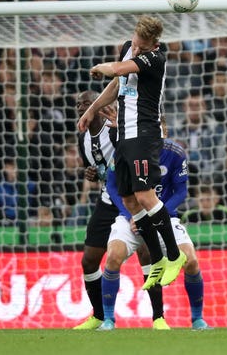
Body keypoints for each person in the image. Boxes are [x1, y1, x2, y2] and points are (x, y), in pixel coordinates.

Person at [77, 16, 186, 292]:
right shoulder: (130, 47)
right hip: (125, 135)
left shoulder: (155, 58)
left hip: (143, 133)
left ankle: (174, 255)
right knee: (129, 198)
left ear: (154, 44)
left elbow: (117, 70)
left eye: (141, 45)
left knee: (145, 195)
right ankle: (158, 258)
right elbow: (116, 84)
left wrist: (103, 67)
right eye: (135, 42)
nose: (136, 48)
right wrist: (92, 110)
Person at [97, 132, 212, 331]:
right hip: (131, 217)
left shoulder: (175, 153)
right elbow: (113, 187)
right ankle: (108, 320)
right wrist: (129, 214)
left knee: (191, 260)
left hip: (165, 217)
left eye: (159, 129)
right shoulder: (125, 151)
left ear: (164, 131)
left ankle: (197, 320)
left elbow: (181, 191)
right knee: (113, 256)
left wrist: (158, 215)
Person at [72, 91, 164, 330]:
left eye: (86, 103)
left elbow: (130, 156)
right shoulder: (82, 138)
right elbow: (99, 171)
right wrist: (90, 174)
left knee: (146, 253)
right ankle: (100, 316)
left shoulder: (114, 130)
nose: (81, 107)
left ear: (97, 105)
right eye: (78, 104)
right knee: (89, 261)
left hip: (131, 199)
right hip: (106, 201)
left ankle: (158, 318)